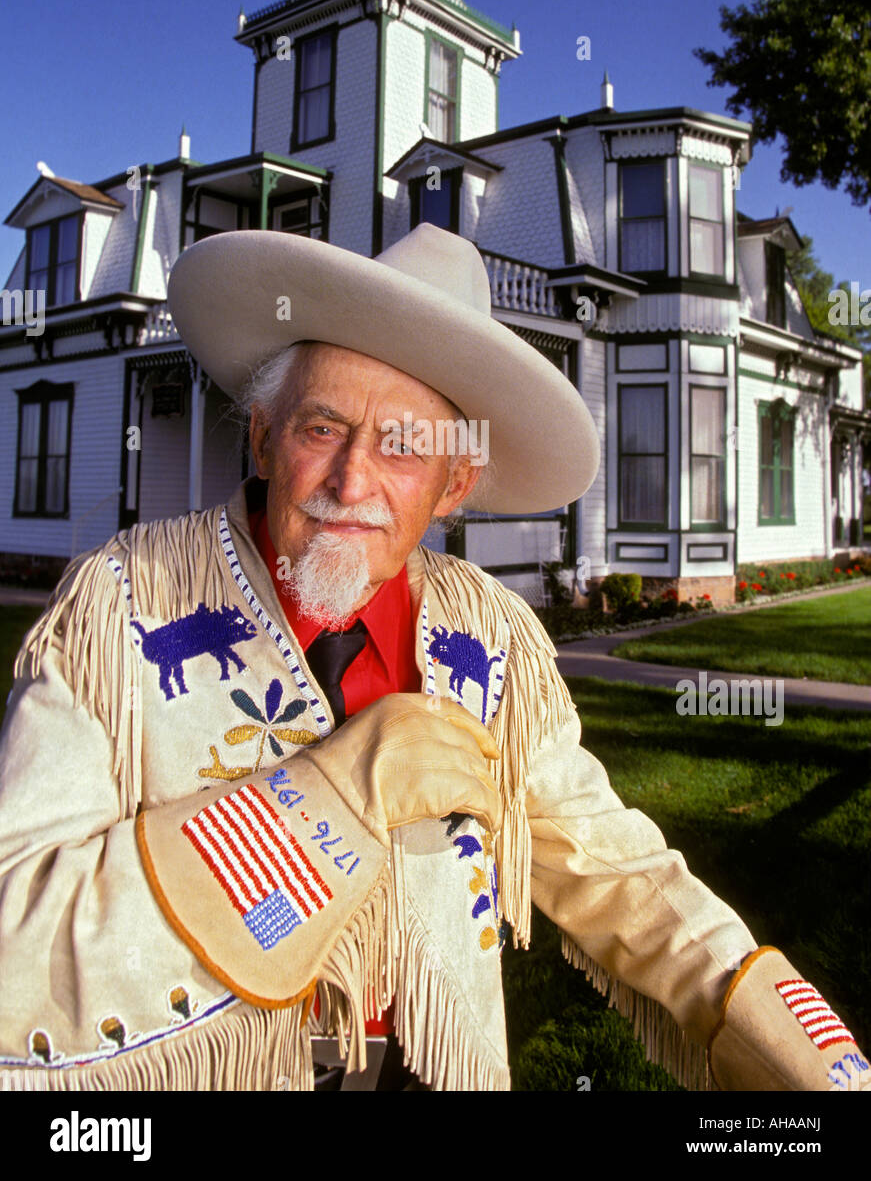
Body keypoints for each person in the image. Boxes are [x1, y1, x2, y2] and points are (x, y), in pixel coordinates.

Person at [0, 223, 866, 1093]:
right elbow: (17, 947)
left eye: (404, 446)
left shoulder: (489, 635)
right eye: (322, 426)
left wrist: (775, 1025)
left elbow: (615, 870)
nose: (350, 480)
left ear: (453, 487)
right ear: (262, 438)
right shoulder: (118, 605)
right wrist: (323, 802)